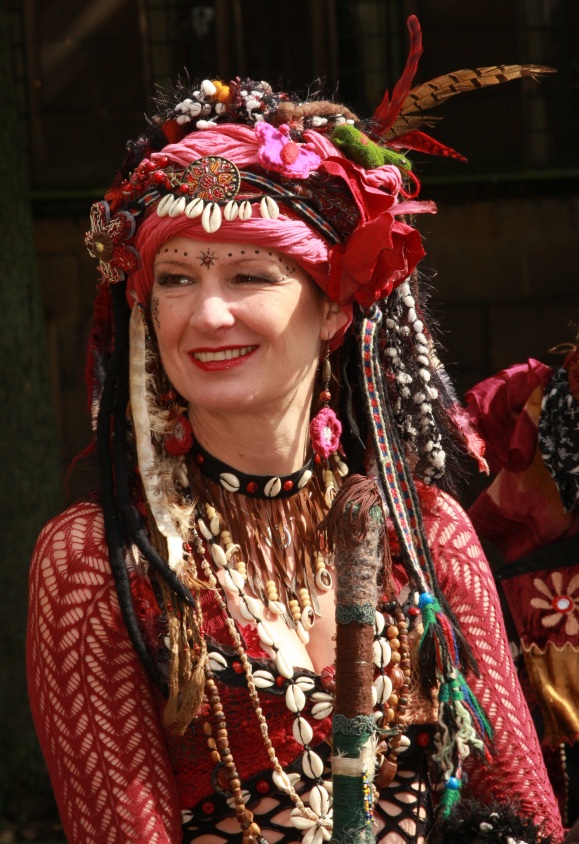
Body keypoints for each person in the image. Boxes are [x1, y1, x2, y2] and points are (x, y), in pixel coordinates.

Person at [26, 17, 563, 844]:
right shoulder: (99, 560)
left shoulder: (423, 534)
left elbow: (525, 814)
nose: (207, 313)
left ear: (335, 311)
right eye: (174, 278)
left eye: (250, 275)